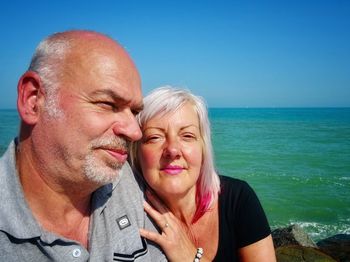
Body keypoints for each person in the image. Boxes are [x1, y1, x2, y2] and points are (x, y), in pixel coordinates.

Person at [0, 30, 166, 261]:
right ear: (33, 99)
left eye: (135, 112)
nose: (135, 132)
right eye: (108, 104)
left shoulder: (128, 179)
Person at [130, 86, 276, 261]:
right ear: (136, 152)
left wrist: (192, 257)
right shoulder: (128, 218)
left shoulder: (238, 199)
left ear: (203, 148)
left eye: (187, 136)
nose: (173, 149)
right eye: (154, 137)